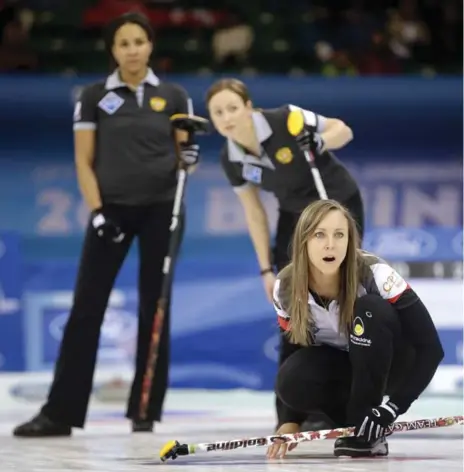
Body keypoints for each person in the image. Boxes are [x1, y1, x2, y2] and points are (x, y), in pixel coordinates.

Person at [13, 12, 200, 437]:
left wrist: (190, 158)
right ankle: (60, 413)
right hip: (110, 211)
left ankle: (145, 412)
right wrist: (97, 211)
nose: (132, 49)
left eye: (139, 41)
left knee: (156, 311)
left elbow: (184, 155)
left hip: (162, 211)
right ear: (112, 51)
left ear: (150, 45)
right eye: (123, 43)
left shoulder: (174, 95)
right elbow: (83, 161)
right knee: (86, 310)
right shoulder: (94, 96)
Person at [205, 78, 364, 429]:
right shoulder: (230, 158)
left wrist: (321, 140)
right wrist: (265, 268)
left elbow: (343, 130)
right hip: (294, 217)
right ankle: (290, 417)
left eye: (233, 107)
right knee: (293, 309)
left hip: (334, 207)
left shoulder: (287, 118)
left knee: (335, 302)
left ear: (249, 106)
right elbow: (254, 212)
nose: (227, 117)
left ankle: (337, 408)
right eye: (218, 113)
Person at [267, 199, 444, 459]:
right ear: (303, 241)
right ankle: (355, 426)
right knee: (291, 381)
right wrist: (288, 420)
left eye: (340, 235)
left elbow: (431, 350)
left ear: (350, 241)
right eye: (319, 235)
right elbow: (295, 350)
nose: (330, 244)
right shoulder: (285, 288)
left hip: (394, 365)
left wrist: (393, 409)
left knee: (369, 308)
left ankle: (367, 424)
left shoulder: (375, 274)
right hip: (347, 368)